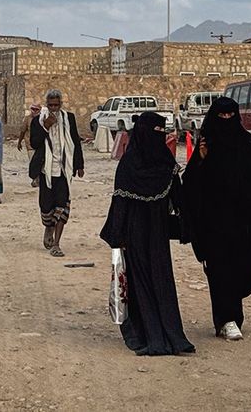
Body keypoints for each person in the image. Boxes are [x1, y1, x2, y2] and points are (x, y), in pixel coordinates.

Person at [180, 97, 251, 341]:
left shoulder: (246, 143)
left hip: (243, 221)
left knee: (247, 270)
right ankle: (227, 320)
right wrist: (201, 159)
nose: (227, 121)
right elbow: (192, 184)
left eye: (231, 116)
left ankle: (231, 313)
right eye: (222, 117)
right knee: (221, 272)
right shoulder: (206, 146)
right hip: (215, 223)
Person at [100, 111, 195, 356]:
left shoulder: (148, 164)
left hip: (148, 234)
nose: (159, 137)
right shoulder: (146, 165)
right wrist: (118, 237)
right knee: (147, 280)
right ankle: (157, 336)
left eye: (161, 132)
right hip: (142, 234)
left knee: (153, 281)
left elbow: (181, 199)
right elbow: (121, 202)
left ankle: (160, 336)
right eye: (155, 132)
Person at [29, 89, 84, 257]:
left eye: (56, 105)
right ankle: (48, 227)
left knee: (62, 205)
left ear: (61, 104)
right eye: (51, 105)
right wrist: (46, 126)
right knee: (46, 206)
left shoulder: (69, 118)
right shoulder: (38, 121)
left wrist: (79, 164)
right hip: (46, 170)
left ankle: (57, 244)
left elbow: (75, 141)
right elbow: (35, 142)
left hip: (64, 170)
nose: (53, 108)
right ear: (47, 105)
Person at [17, 103, 41, 187]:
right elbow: (23, 131)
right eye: (33, 109)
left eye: (36, 109)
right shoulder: (27, 119)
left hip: (40, 145)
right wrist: (19, 142)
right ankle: (35, 179)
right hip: (30, 144)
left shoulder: (42, 118)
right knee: (33, 162)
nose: (34, 111)